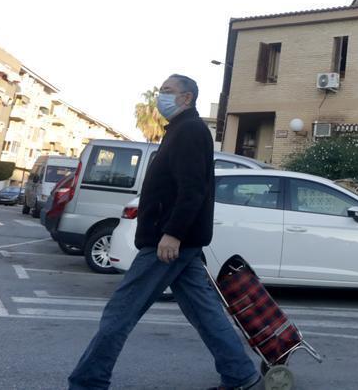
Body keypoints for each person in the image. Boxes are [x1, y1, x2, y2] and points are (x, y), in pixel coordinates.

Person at [68, 74, 261, 390]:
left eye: (168, 91)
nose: (161, 96)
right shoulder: (182, 131)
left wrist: (172, 233)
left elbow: (193, 190)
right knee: (206, 314)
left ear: (187, 98)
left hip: (167, 245)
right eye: (161, 91)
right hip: (177, 243)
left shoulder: (189, 131)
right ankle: (242, 376)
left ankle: (88, 382)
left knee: (120, 312)